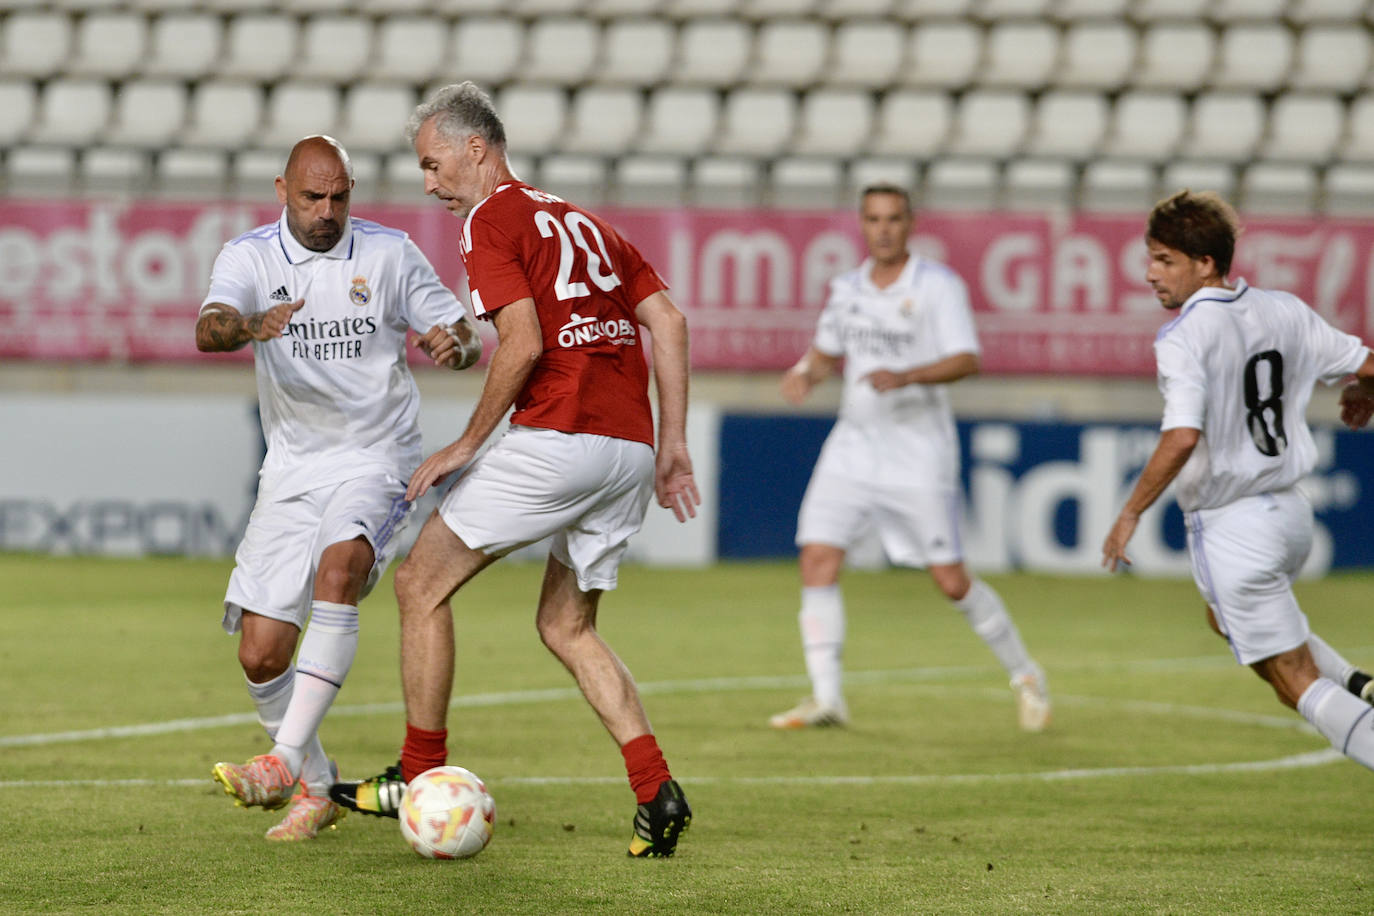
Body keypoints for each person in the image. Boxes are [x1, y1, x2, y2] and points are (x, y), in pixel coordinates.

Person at [325, 82, 699, 859]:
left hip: (558, 435)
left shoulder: (491, 220)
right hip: (626, 447)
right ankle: (656, 790)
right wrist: (672, 443)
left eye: (432, 164)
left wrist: (464, 444)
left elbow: (523, 344)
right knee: (567, 625)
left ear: (475, 148)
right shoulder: (581, 218)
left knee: (418, 584)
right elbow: (667, 318)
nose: (428, 184)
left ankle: (415, 773)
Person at [198, 135, 483, 841]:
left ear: (352, 190)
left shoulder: (387, 253)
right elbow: (209, 328)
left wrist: (457, 345)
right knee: (261, 653)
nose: (327, 211)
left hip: (376, 458)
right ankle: (318, 787)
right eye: (311, 197)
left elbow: (460, 331)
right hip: (292, 468)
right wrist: (246, 327)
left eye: (339, 197)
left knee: (340, 568)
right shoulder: (250, 257)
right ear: (281, 191)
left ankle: (281, 759)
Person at [1102, 189, 1374, 772]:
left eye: (1164, 260)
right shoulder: (1284, 308)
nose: (1149, 274)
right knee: (1223, 618)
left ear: (1206, 264)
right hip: (1290, 514)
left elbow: (1182, 435)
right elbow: (1368, 362)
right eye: (1150, 258)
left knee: (1294, 679)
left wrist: (1129, 513)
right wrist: (1366, 390)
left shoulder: (1183, 337)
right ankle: (1358, 681)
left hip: (1233, 523)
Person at [769, 184, 1051, 733]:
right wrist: (806, 371)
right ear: (862, 223)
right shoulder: (846, 288)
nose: (883, 229)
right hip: (852, 447)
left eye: (893, 219)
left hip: (917, 454)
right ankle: (828, 698)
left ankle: (1026, 674)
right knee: (817, 558)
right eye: (873, 218)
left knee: (950, 580)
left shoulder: (938, 287)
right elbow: (828, 350)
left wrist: (906, 376)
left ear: (910, 224)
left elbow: (967, 359)